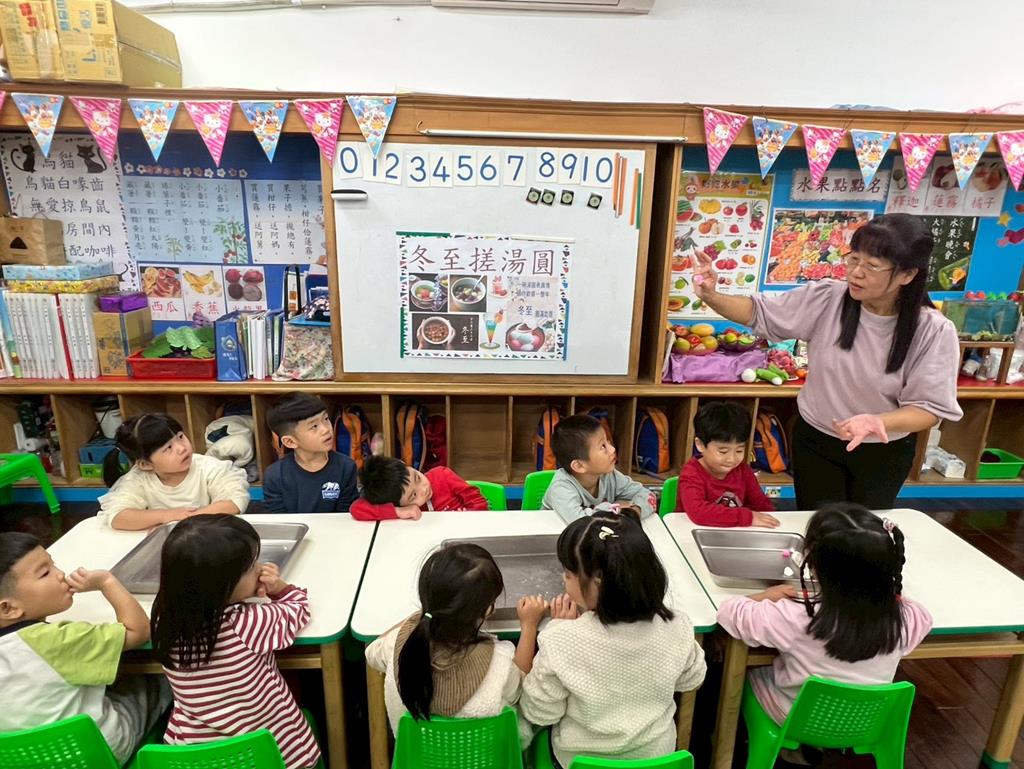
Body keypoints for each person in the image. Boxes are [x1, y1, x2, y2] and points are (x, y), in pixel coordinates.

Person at [692, 213, 962, 509]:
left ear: (907, 275)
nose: (856, 273)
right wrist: (711, 295)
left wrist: (877, 421)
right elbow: (758, 312)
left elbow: (929, 409)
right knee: (817, 523)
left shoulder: (933, 330)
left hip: (883, 451)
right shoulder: (828, 298)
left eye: (872, 266)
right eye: (854, 259)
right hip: (816, 440)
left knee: (862, 529)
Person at [717, 504, 932, 728]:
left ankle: (730, 739)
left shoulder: (795, 615)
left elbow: (729, 612)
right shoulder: (906, 618)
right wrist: (882, 593)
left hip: (797, 719)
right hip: (865, 723)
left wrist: (764, 596)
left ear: (814, 565)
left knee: (751, 675)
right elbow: (923, 616)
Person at [519, 514, 706, 768]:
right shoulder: (678, 626)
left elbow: (540, 712)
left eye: (569, 573)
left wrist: (562, 626)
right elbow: (692, 679)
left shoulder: (561, 639)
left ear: (597, 580)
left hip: (581, 762)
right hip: (658, 758)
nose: (564, 579)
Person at [150, 515, 320, 769]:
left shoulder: (164, 622)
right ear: (221, 585)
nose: (260, 568)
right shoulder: (247, 623)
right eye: (252, 566)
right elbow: (299, 608)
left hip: (198, 758)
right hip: (268, 754)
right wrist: (279, 589)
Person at [0, 532, 169, 763]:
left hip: (22, 759)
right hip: (95, 753)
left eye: (53, 563)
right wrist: (107, 582)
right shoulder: (60, 639)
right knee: (159, 674)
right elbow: (139, 631)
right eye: (45, 572)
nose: (60, 574)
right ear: (8, 609)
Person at [365, 542, 546, 734]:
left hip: (415, 751)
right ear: (487, 610)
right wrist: (529, 626)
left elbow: (372, 652)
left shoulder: (396, 644)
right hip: (483, 752)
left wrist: (420, 616)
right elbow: (521, 686)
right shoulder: (499, 663)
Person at [99, 413, 250, 531]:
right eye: (168, 448)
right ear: (145, 464)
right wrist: (167, 515)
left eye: (180, 437)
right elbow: (117, 517)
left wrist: (184, 520)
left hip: (207, 539)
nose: (182, 448)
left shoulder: (209, 468)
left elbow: (234, 501)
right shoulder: (138, 480)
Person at [678, 401, 780, 527]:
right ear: (700, 445)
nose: (732, 459)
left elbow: (762, 504)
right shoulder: (691, 473)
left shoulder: (743, 471)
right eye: (723, 451)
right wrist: (747, 517)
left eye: (739, 450)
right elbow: (699, 512)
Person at [542, 414, 656, 524]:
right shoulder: (561, 488)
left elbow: (647, 495)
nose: (612, 449)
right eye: (603, 446)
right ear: (579, 466)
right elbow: (580, 522)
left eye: (608, 441)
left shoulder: (609, 475)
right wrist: (613, 509)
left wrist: (635, 511)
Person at [263, 393, 359, 513]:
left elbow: (344, 516)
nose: (326, 429)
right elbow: (278, 520)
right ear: (290, 442)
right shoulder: (275, 476)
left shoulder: (346, 467)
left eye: (326, 419)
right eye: (314, 426)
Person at [350, 455, 487, 521]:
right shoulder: (396, 502)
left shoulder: (442, 475)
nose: (423, 489)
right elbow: (356, 509)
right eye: (413, 496)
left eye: (418, 478)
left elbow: (478, 501)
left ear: (405, 464)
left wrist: (471, 523)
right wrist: (398, 512)